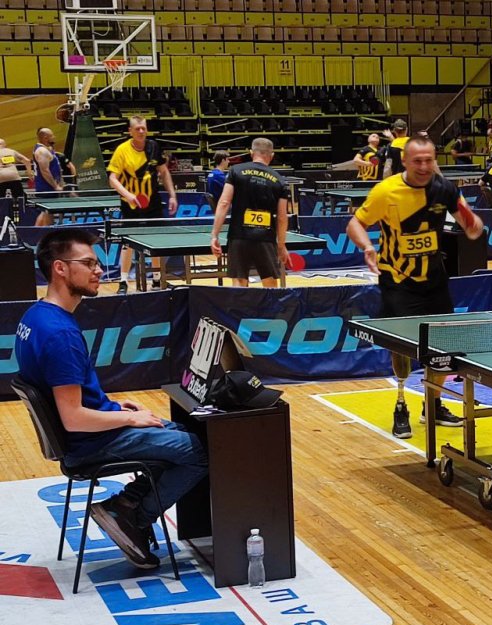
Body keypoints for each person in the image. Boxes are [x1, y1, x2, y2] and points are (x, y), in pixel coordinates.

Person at [14, 228, 208, 569]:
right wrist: (129, 418)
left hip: (90, 434)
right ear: (60, 268)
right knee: (199, 451)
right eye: (89, 263)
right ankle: (129, 516)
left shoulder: (35, 316)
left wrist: (116, 408)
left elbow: (71, 401)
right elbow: (73, 418)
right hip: (90, 443)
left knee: (176, 431)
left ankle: (127, 504)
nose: (99, 270)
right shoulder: (60, 335)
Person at [345, 136, 485, 439]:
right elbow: (355, 224)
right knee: (401, 347)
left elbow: (470, 226)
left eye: (429, 160)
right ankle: (401, 405)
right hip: (397, 279)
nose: (423, 166)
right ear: (405, 161)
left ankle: (432, 404)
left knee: (442, 347)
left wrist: (473, 225)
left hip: (434, 279)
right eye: (417, 161)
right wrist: (367, 246)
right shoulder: (386, 191)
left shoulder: (444, 189)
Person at [107, 116, 178, 293]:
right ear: (130, 131)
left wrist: (172, 195)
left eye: (143, 128)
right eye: (137, 128)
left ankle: (157, 279)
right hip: (130, 204)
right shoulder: (122, 150)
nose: (141, 131)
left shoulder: (153, 147)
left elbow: (164, 172)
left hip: (152, 201)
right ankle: (123, 281)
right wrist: (128, 195)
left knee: (155, 240)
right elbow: (112, 179)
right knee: (127, 243)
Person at [210, 138, 290, 288]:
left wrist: (215, 235)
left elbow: (224, 203)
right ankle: (270, 305)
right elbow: (282, 217)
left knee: (239, 281)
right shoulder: (279, 180)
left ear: (251, 153)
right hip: (265, 237)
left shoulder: (235, 171)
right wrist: (281, 245)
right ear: (272, 156)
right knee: (270, 282)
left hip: (239, 235)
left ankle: (240, 305)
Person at [33, 128, 65, 227]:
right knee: (47, 212)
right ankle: (44, 233)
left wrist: (61, 182)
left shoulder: (47, 149)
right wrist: (56, 186)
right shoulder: (41, 151)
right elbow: (45, 171)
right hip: (45, 187)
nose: (54, 137)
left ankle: (36, 233)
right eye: (52, 135)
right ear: (45, 137)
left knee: (45, 212)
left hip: (50, 187)